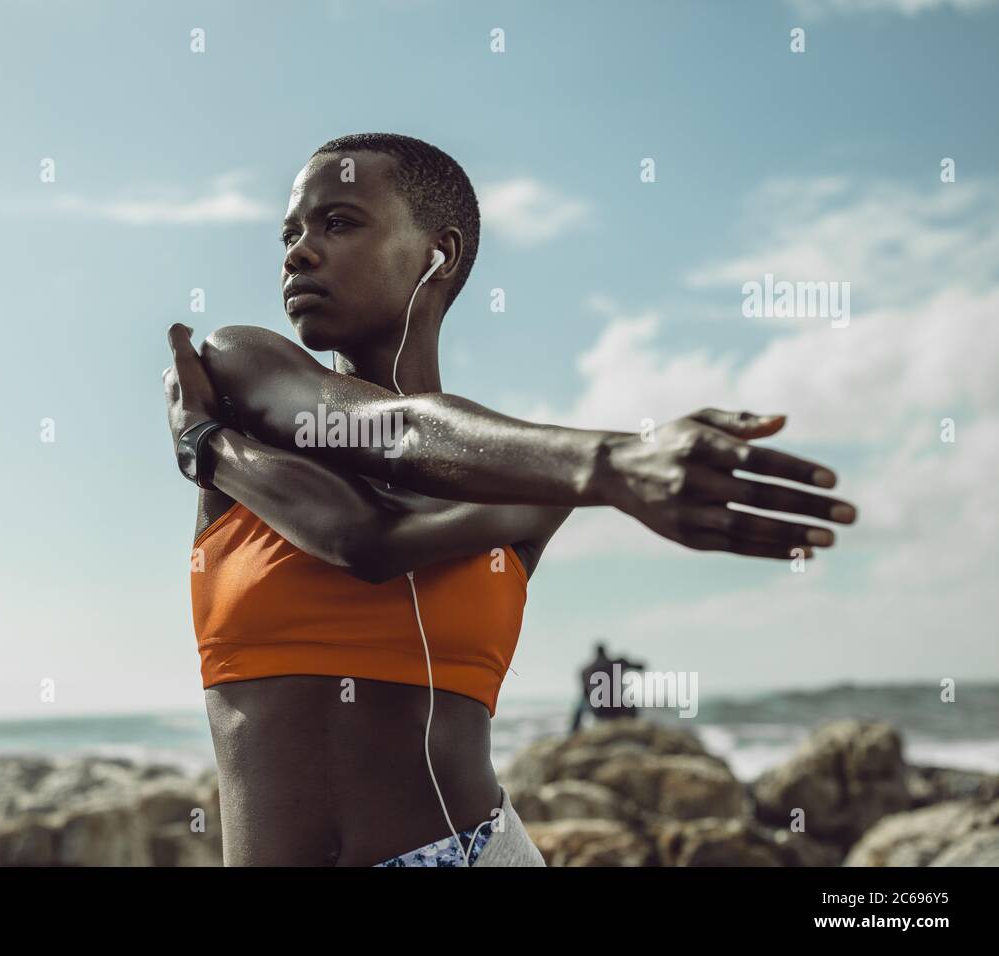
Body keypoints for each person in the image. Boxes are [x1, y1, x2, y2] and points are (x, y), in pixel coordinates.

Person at [161, 132, 857, 866]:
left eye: (338, 223)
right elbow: (366, 474)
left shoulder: (530, 476)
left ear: (440, 254)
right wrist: (611, 463)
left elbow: (372, 532)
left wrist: (205, 448)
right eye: (290, 232)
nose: (298, 251)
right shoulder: (240, 368)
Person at [570, 642, 648, 733]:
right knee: (630, 701)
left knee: (581, 702)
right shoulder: (617, 663)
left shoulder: (586, 669)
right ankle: (634, 728)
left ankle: (573, 732)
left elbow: (586, 693)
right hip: (619, 709)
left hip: (599, 711)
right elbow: (641, 667)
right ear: (606, 652)